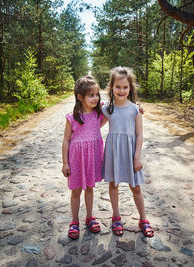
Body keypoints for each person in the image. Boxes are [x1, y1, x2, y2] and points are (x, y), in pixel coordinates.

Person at [102, 66, 154, 238]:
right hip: (113, 153)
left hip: (131, 153)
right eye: (118, 87)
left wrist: (137, 157)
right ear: (111, 87)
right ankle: (116, 216)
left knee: (136, 187)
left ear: (130, 88)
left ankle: (143, 219)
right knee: (113, 184)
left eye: (125, 87)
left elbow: (139, 135)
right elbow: (94, 123)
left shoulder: (135, 109)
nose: (121, 90)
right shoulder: (108, 109)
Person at [61, 76, 107, 239]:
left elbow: (113, 111)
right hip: (76, 159)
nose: (95, 98)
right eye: (91, 95)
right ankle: (74, 221)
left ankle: (89, 217)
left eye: (97, 95)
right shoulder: (72, 117)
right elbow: (66, 140)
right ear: (80, 97)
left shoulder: (97, 114)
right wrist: (65, 163)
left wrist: (136, 106)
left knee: (89, 188)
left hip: (92, 158)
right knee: (76, 190)